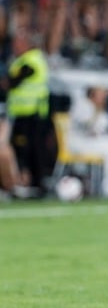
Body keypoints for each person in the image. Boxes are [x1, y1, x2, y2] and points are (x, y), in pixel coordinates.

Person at [6, 29, 50, 196]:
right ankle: (28, 182)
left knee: (32, 150)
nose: (15, 46)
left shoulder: (32, 60)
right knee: (23, 149)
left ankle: (36, 183)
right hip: (23, 113)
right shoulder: (23, 60)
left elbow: (13, 82)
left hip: (33, 113)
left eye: (18, 42)